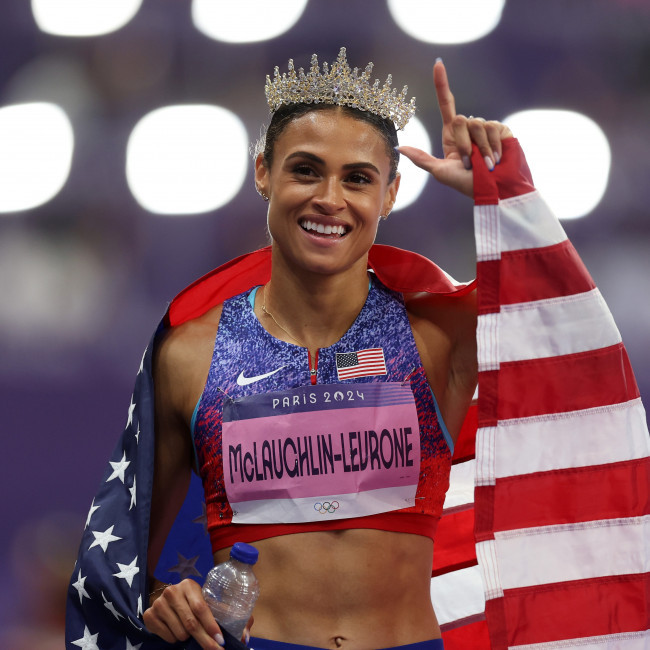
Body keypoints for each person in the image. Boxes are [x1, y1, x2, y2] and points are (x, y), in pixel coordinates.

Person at [67, 48, 649, 650]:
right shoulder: (190, 356)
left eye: (358, 179)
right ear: (263, 172)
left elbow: (562, 331)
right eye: (305, 170)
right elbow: (124, 568)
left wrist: (502, 196)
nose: (330, 198)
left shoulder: (439, 337)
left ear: (391, 193)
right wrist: (163, 599)